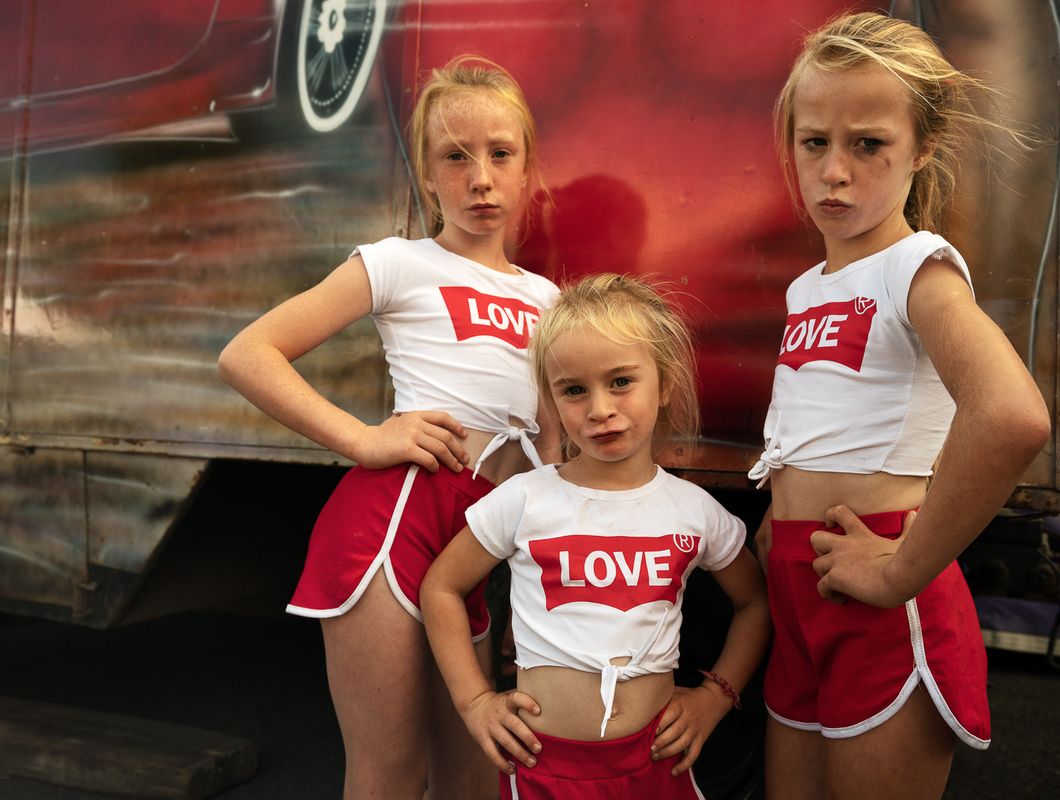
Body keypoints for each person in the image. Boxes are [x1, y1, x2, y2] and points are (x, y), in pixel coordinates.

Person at [217, 56, 560, 800]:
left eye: (501, 154)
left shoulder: (550, 299)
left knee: (476, 778)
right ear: (427, 175)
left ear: (528, 167)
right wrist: (364, 439)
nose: (480, 177)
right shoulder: (399, 262)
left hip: (478, 547)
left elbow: (555, 451)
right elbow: (248, 353)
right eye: (455, 156)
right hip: (389, 533)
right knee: (390, 777)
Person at [748, 12, 1051, 800]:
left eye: (869, 144)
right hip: (801, 586)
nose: (835, 171)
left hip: (879, 593)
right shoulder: (806, 286)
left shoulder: (917, 268)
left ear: (924, 149)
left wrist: (901, 573)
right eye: (814, 142)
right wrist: (772, 523)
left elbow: (1012, 416)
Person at [421, 274, 771, 799]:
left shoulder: (694, 510)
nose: (600, 408)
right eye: (575, 390)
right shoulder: (525, 498)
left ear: (665, 383)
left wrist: (714, 698)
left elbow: (754, 603)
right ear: (552, 400)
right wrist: (475, 701)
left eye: (622, 382)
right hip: (543, 767)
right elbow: (440, 588)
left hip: (659, 768)